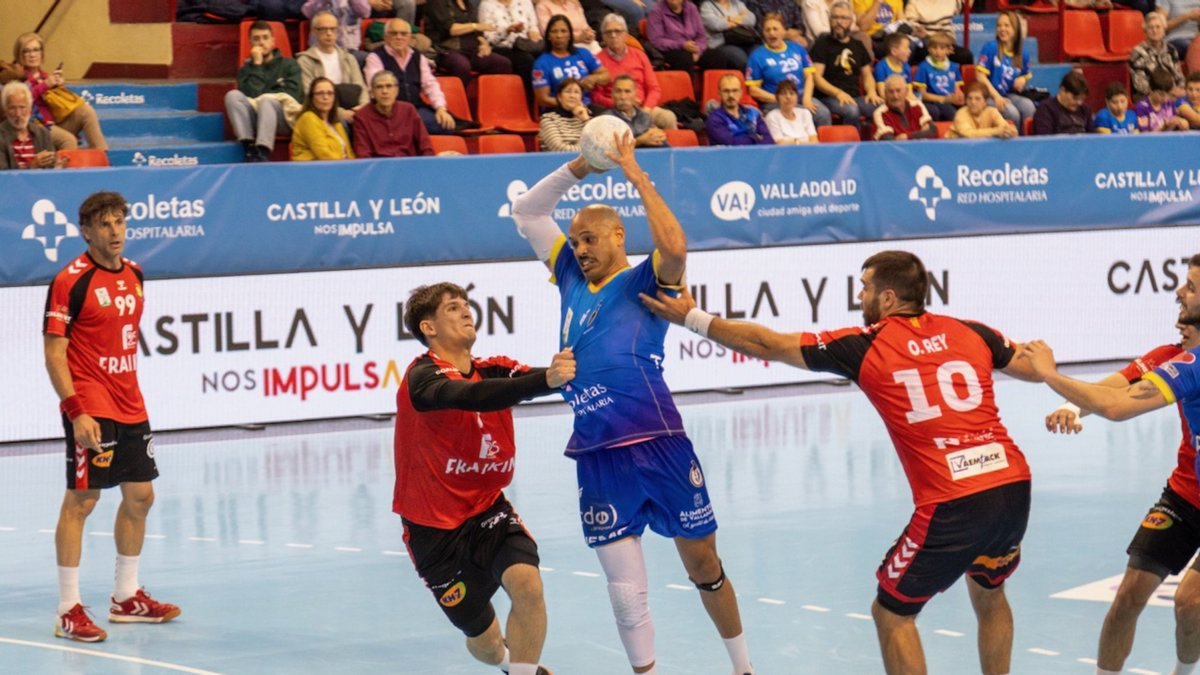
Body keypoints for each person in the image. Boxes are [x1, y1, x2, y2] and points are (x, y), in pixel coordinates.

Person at [640, 249, 1042, 675]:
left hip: (955, 500)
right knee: (989, 589)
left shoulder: (865, 345)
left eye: (865, 288)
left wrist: (692, 319)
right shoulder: (971, 331)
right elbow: (1034, 367)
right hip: (1013, 486)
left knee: (892, 613)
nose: (860, 297)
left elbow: (766, 344)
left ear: (888, 298)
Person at [510, 134, 756, 675]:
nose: (580, 248)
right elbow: (528, 211)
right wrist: (582, 164)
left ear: (620, 236)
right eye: (575, 241)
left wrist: (633, 174)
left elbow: (675, 250)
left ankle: (743, 668)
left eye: (591, 238)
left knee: (703, 564)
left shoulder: (643, 278)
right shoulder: (570, 275)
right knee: (625, 591)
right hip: (598, 453)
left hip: (659, 442)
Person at [1022, 256, 1200, 675]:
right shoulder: (1177, 357)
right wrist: (1073, 405)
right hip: (1186, 493)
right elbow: (1117, 390)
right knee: (1127, 599)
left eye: (1190, 287)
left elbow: (1117, 408)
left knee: (1189, 601)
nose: (1178, 292)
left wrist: (1049, 374)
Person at [394, 282, 575, 675]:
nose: (466, 311)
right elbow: (471, 396)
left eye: (466, 304)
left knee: (527, 585)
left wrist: (572, 371)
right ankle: (509, 663)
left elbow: (531, 379)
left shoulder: (494, 367)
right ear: (429, 327)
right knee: (487, 644)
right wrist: (546, 382)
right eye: (453, 307)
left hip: (487, 509)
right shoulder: (421, 378)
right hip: (433, 531)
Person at [44, 191, 181, 643]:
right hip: (91, 407)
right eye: (105, 224)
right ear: (86, 231)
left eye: (120, 222)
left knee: (141, 497)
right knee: (82, 501)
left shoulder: (136, 272)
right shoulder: (70, 280)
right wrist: (76, 410)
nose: (115, 231)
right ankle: (68, 609)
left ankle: (126, 597)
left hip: (131, 401)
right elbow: (54, 352)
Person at [13, 32, 107, 152]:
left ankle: (101, 156)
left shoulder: (45, 76)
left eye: (36, 50)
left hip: (53, 123)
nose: (32, 55)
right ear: (19, 55)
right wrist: (45, 85)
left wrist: (58, 87)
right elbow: (21, 100)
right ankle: (66, 170)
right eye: (26, 51)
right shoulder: (17, 76)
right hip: (34, 127)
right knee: (68, 140)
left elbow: (60, 105)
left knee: (86, 112)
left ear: (42, 54)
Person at [363, 19, 459, 135]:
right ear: (385, 37)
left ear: (410, 38)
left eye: (403, 34)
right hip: (389, 111)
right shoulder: (375, 57)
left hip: (416, 109)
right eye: (394, 33)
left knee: (446, 125)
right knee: (410, 126)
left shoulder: (418, 57)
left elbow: (430, 84)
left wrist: (440, 108)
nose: (399, 37)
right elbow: (375, 90)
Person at [225, 21, 304, 162]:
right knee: (232, 95)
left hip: (284, 118)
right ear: (250, 43)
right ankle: (248, 147)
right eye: (256, 39)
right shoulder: (246, 70)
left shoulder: (290, 64)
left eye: (265, 37)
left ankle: (263, 151)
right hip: (256, 117)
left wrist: (267, 95)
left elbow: (293, 94)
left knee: (267, 101)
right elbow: (252, 95)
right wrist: (257, 65)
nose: (261, 43)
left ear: (273, 41)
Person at [592, 14, 678, 131]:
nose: (613, 35)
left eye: (617, 31)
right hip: (614, 111)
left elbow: (654, 89)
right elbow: (596, 96)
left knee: (668, 118)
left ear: (626, 34)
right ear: (603, 37)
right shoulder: (597, 60)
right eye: (608, 32)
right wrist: (621, 102)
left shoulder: (640, 55)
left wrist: (646, 110)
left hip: (643, 108)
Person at [746, 14, 830, 126]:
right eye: (767, 30)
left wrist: (807, 97)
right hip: (774, 102)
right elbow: (753, 90)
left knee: (823, 114)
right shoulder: (757, 56)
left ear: (784, 31)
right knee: (800, 115)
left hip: (801, 97)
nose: (771, 33)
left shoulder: (797, 48)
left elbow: (809, 77)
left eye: (775, 29)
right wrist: (781, 99)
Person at [811, 0, 882, 130]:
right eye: (835, 17)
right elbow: (817, 78)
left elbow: (867, 75)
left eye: (844, 18)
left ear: (851, 21)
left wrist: (871, 92)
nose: (839, 22)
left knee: (882, 106)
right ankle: (850, 146)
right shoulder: (822, 43)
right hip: (828, 97)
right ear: (830, 20)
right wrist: (838, 93)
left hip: (854, 97)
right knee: (851, 110)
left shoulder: (858, 45)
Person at [296, 10, 370, 120]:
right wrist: (340, 113)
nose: (329, 33)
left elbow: (361, 88)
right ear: (314, 31)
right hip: (323, 112)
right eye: (323, 29)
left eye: (332, 29)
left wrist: (360, 109)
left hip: (352, 109)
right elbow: (309, 95)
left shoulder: (349, 58)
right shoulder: (305, 61)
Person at [425, 0, 515, 88]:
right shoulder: (437, 2)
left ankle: (492, 100)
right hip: (446, 49)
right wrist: (475, 26)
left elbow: (479, 33)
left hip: (471, 49)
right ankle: (459, 100)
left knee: (502, 63)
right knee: (462, 66)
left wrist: (484, 45)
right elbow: (451, 29)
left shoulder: (467, 4)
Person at [532, 15, 611, 111]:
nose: (559, 36)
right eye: (554, 31)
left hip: (586, 106)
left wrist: (594, 78)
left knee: (607, 118)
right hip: (558, 110)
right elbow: (542, 99)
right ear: (548, 36)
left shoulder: (583, 53)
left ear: (570, 35)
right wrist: (570, 105)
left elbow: (606, 75)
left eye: (563, 31)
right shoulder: (541, 63)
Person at [976, 11, 1035, 132]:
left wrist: (1023, 79)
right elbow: (980, 76)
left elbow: (1025, 77)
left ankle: (1028, 143)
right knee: (1012, 113)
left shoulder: (1023, 54)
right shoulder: (990, 47)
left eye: (1006, 25)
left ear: (1015, 29)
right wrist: (996, 97)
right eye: (999, 25)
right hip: (989, 96)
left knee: (1029, 107)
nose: (1002, 29)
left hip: (1008, 95)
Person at [352, 70, 435, 156]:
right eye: (379, 87)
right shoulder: (362, 117)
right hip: (380, 167)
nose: (384, 91)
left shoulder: (409, 110)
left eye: (389, 86)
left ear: (397, 90)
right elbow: (363, 153)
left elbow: (425, 145)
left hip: (409, 165)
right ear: (372, 92)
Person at [646, 0, 728, 74]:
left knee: (718, 57)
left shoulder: (691, 8)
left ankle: (713, 90)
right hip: (670, 50)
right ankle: (687, 90)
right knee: (684, 59)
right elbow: (656, 41)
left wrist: (698, 51)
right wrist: (682, 45)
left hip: (693, 48)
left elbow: (701, 36)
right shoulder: (656, 11)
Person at [0, 80, 65, 169]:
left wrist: (57, 167)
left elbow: (50, 167)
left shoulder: (42, 133)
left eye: (22, 107)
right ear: (5, 111)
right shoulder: (1, 136)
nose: (18, 114)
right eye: (12, 108)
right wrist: (31, 167)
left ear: (30, 109)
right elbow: (3, 177)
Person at [479, 0, 543, 90]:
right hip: (502, 46)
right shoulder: (486, 5)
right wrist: (506, 31)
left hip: (525, 44)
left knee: (544, 55)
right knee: (526, 59)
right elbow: (489, 39)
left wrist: (533, 32)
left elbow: (533, 25)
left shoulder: (525, 2)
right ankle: (529, 99)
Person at [291, 77, 356, 160]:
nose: (326, 97)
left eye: (330, 93)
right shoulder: (308, 118)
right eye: (320, 93)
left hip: (339, 168)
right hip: (314, 170)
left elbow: (349, 152)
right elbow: (324, 155)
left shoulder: (336, 122)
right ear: (312, 98)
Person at [1131, 12, 1187, 103]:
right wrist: (1166, 93)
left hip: (1174, 94)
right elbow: (1140, 85)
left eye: (1158, 27)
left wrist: (1180, 88)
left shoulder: (1171, 49)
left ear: (1164, 30)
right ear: (1145, 31)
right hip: (1150, 97)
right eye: (1151, 28)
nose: (1155, 31)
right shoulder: (1138, 52)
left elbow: (1179, 75)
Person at [706, 73, 774, 144]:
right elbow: (732, 143)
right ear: (719, 94)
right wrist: (755, 138)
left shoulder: (753, 113)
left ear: (741, 93)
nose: (731, 95)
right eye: (726, 91)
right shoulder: (714, 119)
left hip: (758, 154)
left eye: (735, 91)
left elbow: (769, 140)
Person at [605, 74, 669, 146]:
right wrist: (640, 140)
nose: (623, 97)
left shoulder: (645, 117)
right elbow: (609, 148)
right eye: (618, 91)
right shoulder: (606, 119)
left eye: (627, 91)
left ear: (635, 94)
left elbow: (656, 138)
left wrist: (659, 136)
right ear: (612, 94)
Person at [913, 32, 962, 122]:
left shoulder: (954, 67)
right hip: (931, 101)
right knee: (939, 112)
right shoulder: (923, 67)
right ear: (929, 49)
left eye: (942, 48)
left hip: (948, 101)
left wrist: (959, 96)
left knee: (961, 112)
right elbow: (922, 95)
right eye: (934, 48)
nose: (937, 51)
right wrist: (944, 99)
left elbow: (957, 89)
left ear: (948, 50)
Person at [700, 0, 758, 72]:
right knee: (742, 60)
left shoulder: (737, 3)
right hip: (722, 44)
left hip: (743, 40)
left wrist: (728, 19)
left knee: (759, 55)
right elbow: (716, 25)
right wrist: (740, 18)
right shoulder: (706, 6)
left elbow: (751, 20)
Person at [1031, 70, 1095, 135]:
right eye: (1075, 98)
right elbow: (1045, 141)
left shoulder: (1085, 110)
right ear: (1062, 90)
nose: (1079, 103)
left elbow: (1093, 138)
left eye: (1082, 99)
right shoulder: (1045, 109)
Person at [873, 74, 935, 140]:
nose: (895, 96)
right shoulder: (880, 113)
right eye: (891, 92)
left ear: (906, 91)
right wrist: (921, 134)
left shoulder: (917, 105)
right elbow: (890, 141)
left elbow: (933, 131)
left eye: (898, 91)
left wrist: (907, 136)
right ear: (885, 93)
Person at [946, 81, 1016, 138]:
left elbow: (1005, 128)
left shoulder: (992, 112)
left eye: (977, 99)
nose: (973, 102)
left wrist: (1010, 131)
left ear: (985, 102)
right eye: (969, 98)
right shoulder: (961, 114)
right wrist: (996, 131)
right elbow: (969, 134)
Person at [539, 76, 590, 150]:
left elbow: (598, 143)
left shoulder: (586, 118)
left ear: (581, 98)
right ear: (559, 97)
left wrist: (585, 119)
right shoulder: (548, 120)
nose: (572, 96)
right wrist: (588, 150)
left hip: (585, 160)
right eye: (568, 91)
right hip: (558, 160)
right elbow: (560, 149)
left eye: (576, 92)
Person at [1135, 66, 1190, 131]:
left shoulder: (1169, 103)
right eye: (1161, 94)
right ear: (1150, 90)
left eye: (1168, 94)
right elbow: (1145, 136)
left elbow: (1179, 122)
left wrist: (1182, 123)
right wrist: (1164, 127)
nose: (1165, 98)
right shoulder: (1142, 108)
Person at [764, 78, 817, 143]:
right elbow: (780, 143)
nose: (788, 97)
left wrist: (794, 141)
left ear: (797, 96)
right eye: (783, 94)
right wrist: (799, 141)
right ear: (777, 98)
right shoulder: (772, 116)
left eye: (792, 93)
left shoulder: (805, 113)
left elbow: (814, 140)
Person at [535, 0, 600, 52]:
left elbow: (585, 25)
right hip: (567, 46)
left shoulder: (574, 2)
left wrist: (590, 33)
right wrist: (578, 38)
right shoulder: (542, 6)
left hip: (586, 42)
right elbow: (547, 33)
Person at [872, 32, 912, 98]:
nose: (909, 51)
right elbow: (883, 94)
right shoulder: (881, 67)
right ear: (894, 51)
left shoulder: (906, 66)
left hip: (905, 100)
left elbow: (909, 92)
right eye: (906, 48)